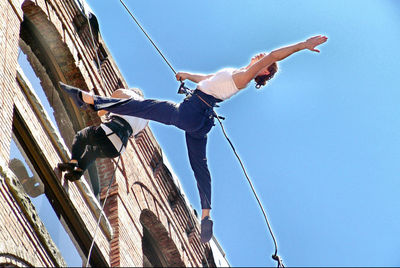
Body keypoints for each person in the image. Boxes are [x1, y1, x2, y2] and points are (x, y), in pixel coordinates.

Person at [60, 35, 328, 243]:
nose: (261, 57)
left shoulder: (245, 76)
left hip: (193, 110)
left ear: (264, 72)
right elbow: (209, 80)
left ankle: (91, 100)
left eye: (265, 64)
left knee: (150, 107)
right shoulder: (235, 73)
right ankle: (206, 214)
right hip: (201, 122)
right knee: (199, 165)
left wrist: (303, 45)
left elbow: (273, 54)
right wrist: (187, 75)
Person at [58, 85, 148, 182]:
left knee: (81, 136)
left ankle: (72, 163)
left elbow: (100, 113)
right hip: (119, 148)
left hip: (111, 130)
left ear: (132, 91)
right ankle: (78, 172)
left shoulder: (125, 93)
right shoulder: (145, 118)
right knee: (92, 151)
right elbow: (132, 134)